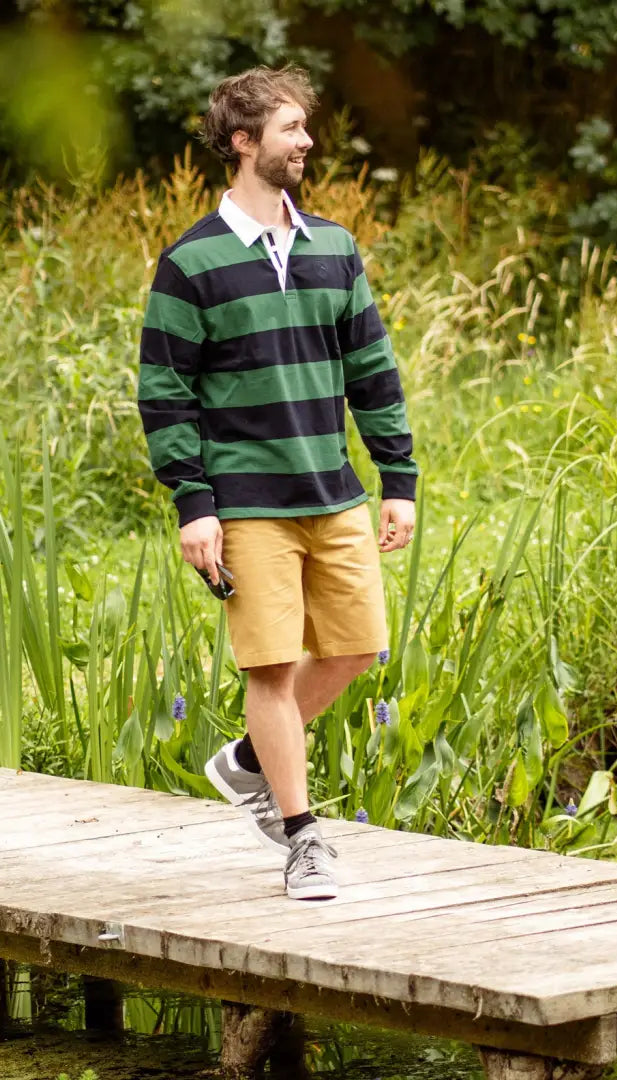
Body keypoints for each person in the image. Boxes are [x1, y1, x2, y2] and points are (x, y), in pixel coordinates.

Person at [137, 65, 418, 901]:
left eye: (305, 128)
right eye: (291, 129)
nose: (306, 142)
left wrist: (396, 477)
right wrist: (194, 505)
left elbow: (372, 369)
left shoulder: (334, 247)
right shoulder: (190, 263)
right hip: (246, 502)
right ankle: (302, 838)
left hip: (333, 491)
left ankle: (252, 760)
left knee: (360, 645)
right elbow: (164, 394)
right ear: (242, 141)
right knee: (271, 667)